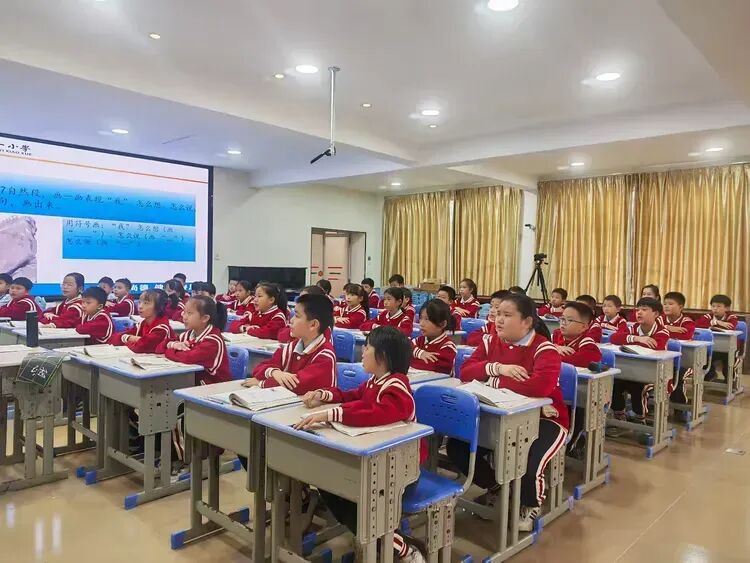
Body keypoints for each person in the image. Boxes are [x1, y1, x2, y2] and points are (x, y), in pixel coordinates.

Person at [295, 326, 425, 563]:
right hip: (377, 462)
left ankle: (400, 547)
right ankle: (378, 539)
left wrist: (331, 414)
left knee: (351, 497)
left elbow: (376, 413)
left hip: (400, 469)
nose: (362, 352)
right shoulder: (375, 381)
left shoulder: (397, 387)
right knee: (329, 484)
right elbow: (352, 396)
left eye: (367, 348)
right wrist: (325, 396)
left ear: (383, 357)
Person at [448, 293, 568, 532]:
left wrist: (491, 380)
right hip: (498, 414)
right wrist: (497, 368)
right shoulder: (490, 341)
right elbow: (466, 372)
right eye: (498, 313)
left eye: (507, 315)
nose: (498, 319)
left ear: (527, 321)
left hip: (545, 418)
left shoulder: (544, 349)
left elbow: (538, 387)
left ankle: (530, 504)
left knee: (528, 462)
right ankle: (497, 487)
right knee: (457, 448)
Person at [244, 294, 336, 393]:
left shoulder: (325, 356)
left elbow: (297, 384)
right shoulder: (292, 347)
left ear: (313, 325)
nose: (291, 320)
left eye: (297, 316)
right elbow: (259, 368)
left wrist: (262, 383)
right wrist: (275, 372)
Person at [609, 298, 669, 426]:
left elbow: (656, 346)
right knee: (615, 383)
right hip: (630, 371)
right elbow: (614, 338)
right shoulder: (633, 328)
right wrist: (637, 338)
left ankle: (640, 418)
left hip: (652, 375)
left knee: (639, 388)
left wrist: (628, 341)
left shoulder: (662, 331)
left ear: (656, 314)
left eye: (644, 309)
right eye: (638, 310)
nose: (639, 312)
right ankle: (619, 416)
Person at [157, 296, 231, 385]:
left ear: (205, 318)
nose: (184, 317)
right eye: (184, 312)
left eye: (189, 313)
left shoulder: (213, 341)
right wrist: (173, 344)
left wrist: (170, 350)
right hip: (194, 381)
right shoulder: (189, 334)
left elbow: (188, 358)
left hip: (214, 386)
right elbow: (159, 348)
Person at [110, 289, 175, 353]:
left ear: (159, 307)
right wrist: (135, 339)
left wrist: (128, 338)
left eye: (146, 303)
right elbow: (114, 338)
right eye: (139, 302)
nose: (140, 306)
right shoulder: (143, 324)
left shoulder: (162, 329)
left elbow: (140, 347)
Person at [696, 294, 739, 381]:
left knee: (730, 359)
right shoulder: (708, 316)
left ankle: (730, 380)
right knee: (703, 355)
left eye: (719, 306)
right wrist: (717, 322)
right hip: (712, 348)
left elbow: (731, 327)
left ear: (727, 308)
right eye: (713, 306)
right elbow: (696, 324)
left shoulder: (731, 317)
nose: (715, 309)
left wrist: (712, 324)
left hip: (728, 348)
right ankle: (710, 375)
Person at [410, 299, 457, 374]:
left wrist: (411, 358)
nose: (421, 324)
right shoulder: (419, 340)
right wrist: (419, 353)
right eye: (421, 318)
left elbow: (432, 366)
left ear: (442, 324)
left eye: (427, 319)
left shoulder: (448, 347)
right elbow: (405, 347)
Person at [551, 302, 602, 367]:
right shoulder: (556, 334)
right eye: (562, 318)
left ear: (583, 327)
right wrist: (555, 347)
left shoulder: (586, 341)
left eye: (570, 320)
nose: (563, 323)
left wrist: (552, 353)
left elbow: (584, 360)